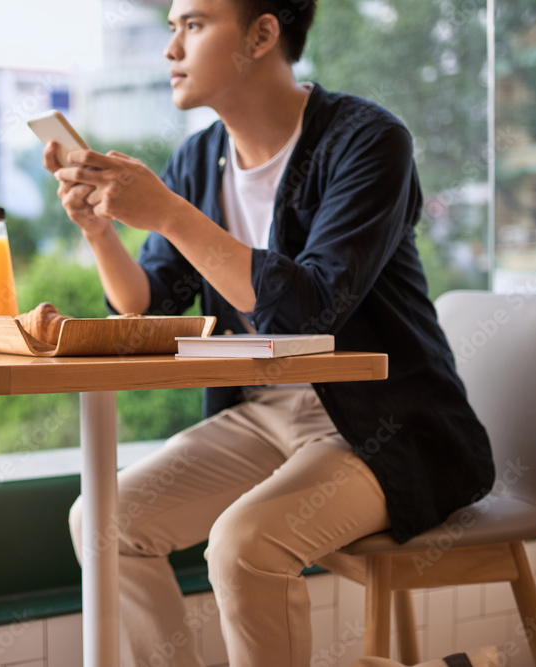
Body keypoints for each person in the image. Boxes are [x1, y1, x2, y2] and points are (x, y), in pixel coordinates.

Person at [44, 0, 496, 665]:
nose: (171, 49)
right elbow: (151, 310)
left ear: (262, 33)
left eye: (193, 25)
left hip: (381, 424)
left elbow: (309, 309)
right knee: (104, 520)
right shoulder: (198, 159)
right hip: (261, 416)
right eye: (172, 27)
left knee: (243, 547)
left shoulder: (368, 142)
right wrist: (101, 233)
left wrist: (169, 213)